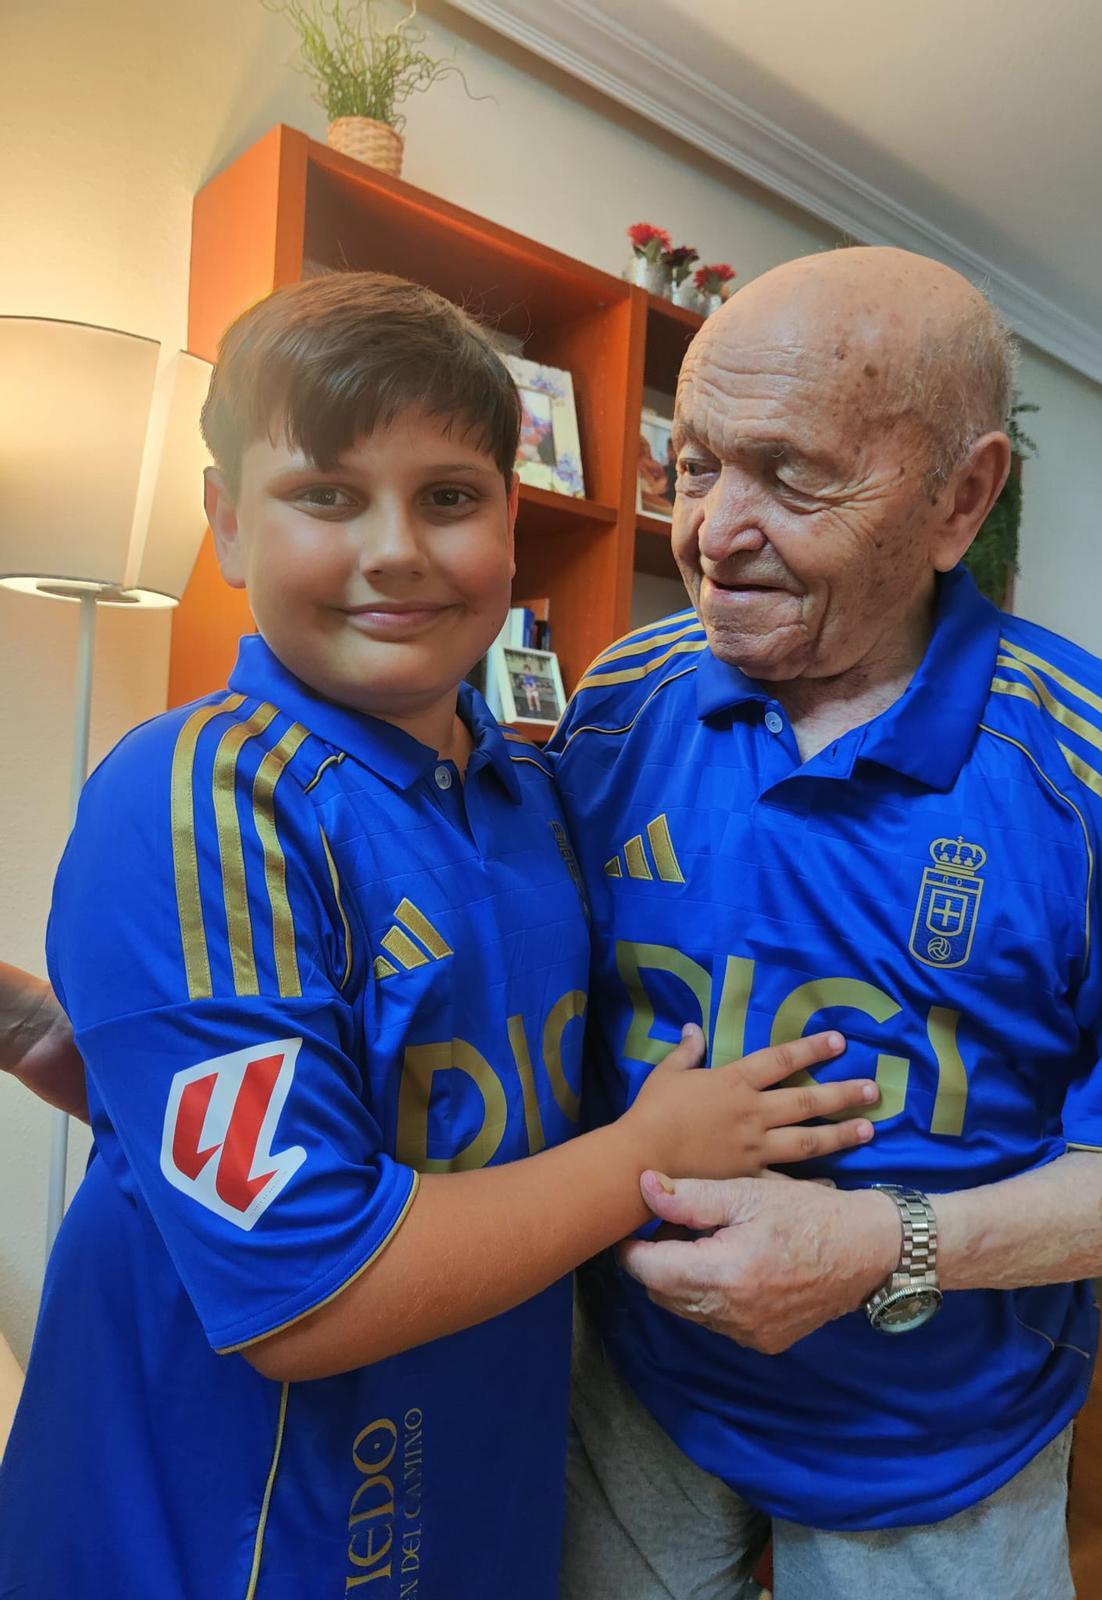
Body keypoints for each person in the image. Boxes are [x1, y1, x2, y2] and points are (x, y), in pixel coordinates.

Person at [0, 272, 876, 1598]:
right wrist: (648, 1153)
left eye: (450, 498)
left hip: (480, 1481)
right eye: (329, 495)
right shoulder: (204, 798)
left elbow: (349, 1103)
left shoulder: (530, 790)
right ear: (229, 523)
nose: (397, 548)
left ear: (512, 526)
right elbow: (306, 1294)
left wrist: (60, 1042)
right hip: (235, 1528)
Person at [549, 247, 1102, 1599]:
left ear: (963, 499)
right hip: (636, 1397)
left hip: (941, 1459)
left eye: (793, 478)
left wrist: (884, 1247)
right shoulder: (624, 698)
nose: (713, 534)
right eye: (698, 462)